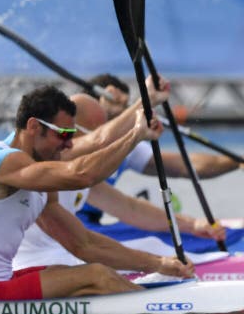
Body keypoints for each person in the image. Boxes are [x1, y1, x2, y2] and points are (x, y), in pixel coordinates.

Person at [0, 85, 194, 302]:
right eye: (64, 134)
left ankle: (156, 309)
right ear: (34, 126)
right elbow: (81, 175)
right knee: (95, 276)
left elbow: (84, 245)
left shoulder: (40, 186)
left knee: (71, 271)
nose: (70, 143)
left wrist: (158, 263)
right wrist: (135, 135)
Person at [14, 94, 226, 271]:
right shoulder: (48, 164)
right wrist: (148, 98)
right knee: (119, 264)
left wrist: (193, 225)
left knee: (150, 243)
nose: (68, 142)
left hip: (63, 254)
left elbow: (130, 208)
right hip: (39, 261)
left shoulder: (79, 174)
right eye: (65, 135)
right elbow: (99, 140)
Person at [79, 73, 242, 224]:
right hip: (65, 232)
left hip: (91, 227)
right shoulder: (69, 141)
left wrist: (235, 161)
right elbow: (97, 140)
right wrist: (147, 99)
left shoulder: (127, 145)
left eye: (127, 107)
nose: (129, 112)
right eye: (123, 107)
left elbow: (186, 165)